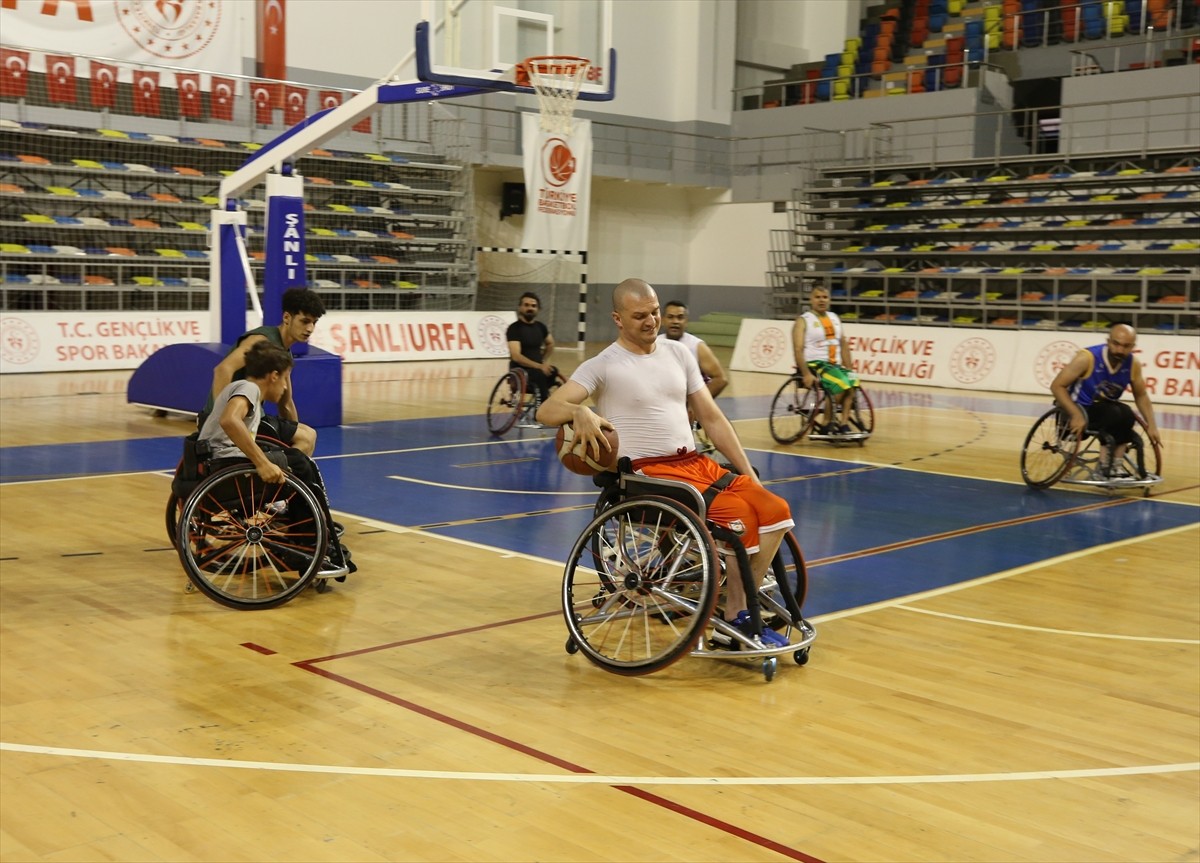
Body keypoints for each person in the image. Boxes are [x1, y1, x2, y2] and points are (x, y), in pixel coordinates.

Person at [538, 278, 795, 648]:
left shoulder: (679, 353)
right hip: (647, 473)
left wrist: (746, 468)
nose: (651, 320)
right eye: (639, 315)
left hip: (695, 464)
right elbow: (549, 410)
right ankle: (737, 615)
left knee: (773, 508)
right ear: (618, 318)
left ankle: (738, 606)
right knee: (738, 514)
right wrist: (579, 411)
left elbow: (712, 418)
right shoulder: (604, 365)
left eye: (655, 312)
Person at [198, 341, 355, 576]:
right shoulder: (248, 388)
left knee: (295, 460)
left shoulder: (246, 390)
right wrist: (262, 463)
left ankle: (310, 534)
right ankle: (308, 544)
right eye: (285, 380)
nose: (284, 389)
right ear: (273, 376)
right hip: (227, 471)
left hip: (221, 466)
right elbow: (229, 421)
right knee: (301, 464)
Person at [200, 287, 326, 456]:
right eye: (305, 321)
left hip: (251, 418)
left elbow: (286, 402)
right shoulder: (261, 340)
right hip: (233, 418)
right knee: (307, 438)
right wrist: (219, 418)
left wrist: (293, 430)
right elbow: (223, 369)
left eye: (314, 322)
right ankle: (277, 476)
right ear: (287, 318)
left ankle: (282, 474)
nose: (310, 328)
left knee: (304, 435)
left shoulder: (284, 352)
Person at [1049, 323, 1162, 477]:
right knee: (1115, 413)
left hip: (1105, 410)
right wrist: (1075, 414)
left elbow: (1141, 395)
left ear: (1132, 347)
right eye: (1116, 344)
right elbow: (1057, 386)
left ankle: (1115, 465)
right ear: (1108, 341)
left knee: (1126, 413)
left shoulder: (1133, 364)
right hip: (1076, 409)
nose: (1120, 350)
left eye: (1126, 346)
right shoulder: (1087, 357)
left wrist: (1152, 425)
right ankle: (1103, 466)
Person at [792, 286, 860, 435]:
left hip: (833, 365)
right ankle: (827, 422)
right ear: (811, 300)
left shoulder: (834, 318)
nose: (821, 300)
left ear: (829, 300)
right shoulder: (804, 320)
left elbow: (843, 344)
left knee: (852, 380)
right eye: (818, 297)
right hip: (814, 364)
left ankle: (843, 423)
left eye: (824, 297)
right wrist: (806, 374)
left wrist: (849, 368)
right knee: (841, 382)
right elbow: (798, 349)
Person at [658, 300, 728, 398]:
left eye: (680, 317)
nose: (675, 321)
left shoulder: (697, 346)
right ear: (663, 320)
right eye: (670, 317)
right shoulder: (655, 343)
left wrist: (698, 404)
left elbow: (721, 379)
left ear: (686, 322)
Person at [506, 291, 557, 423]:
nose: (530, 308)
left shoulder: (541, 327)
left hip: (537, 368)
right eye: (526, 305)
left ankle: (545, 401)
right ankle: (541, 412)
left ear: (537, 309)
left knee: (553, 371)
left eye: (533, 306)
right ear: (520, 307)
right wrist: (539, 365)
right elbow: (516, 356)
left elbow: (550, 343)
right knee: (540, 375)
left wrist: (543, 361)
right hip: (520, 370)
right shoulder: (514, 329)